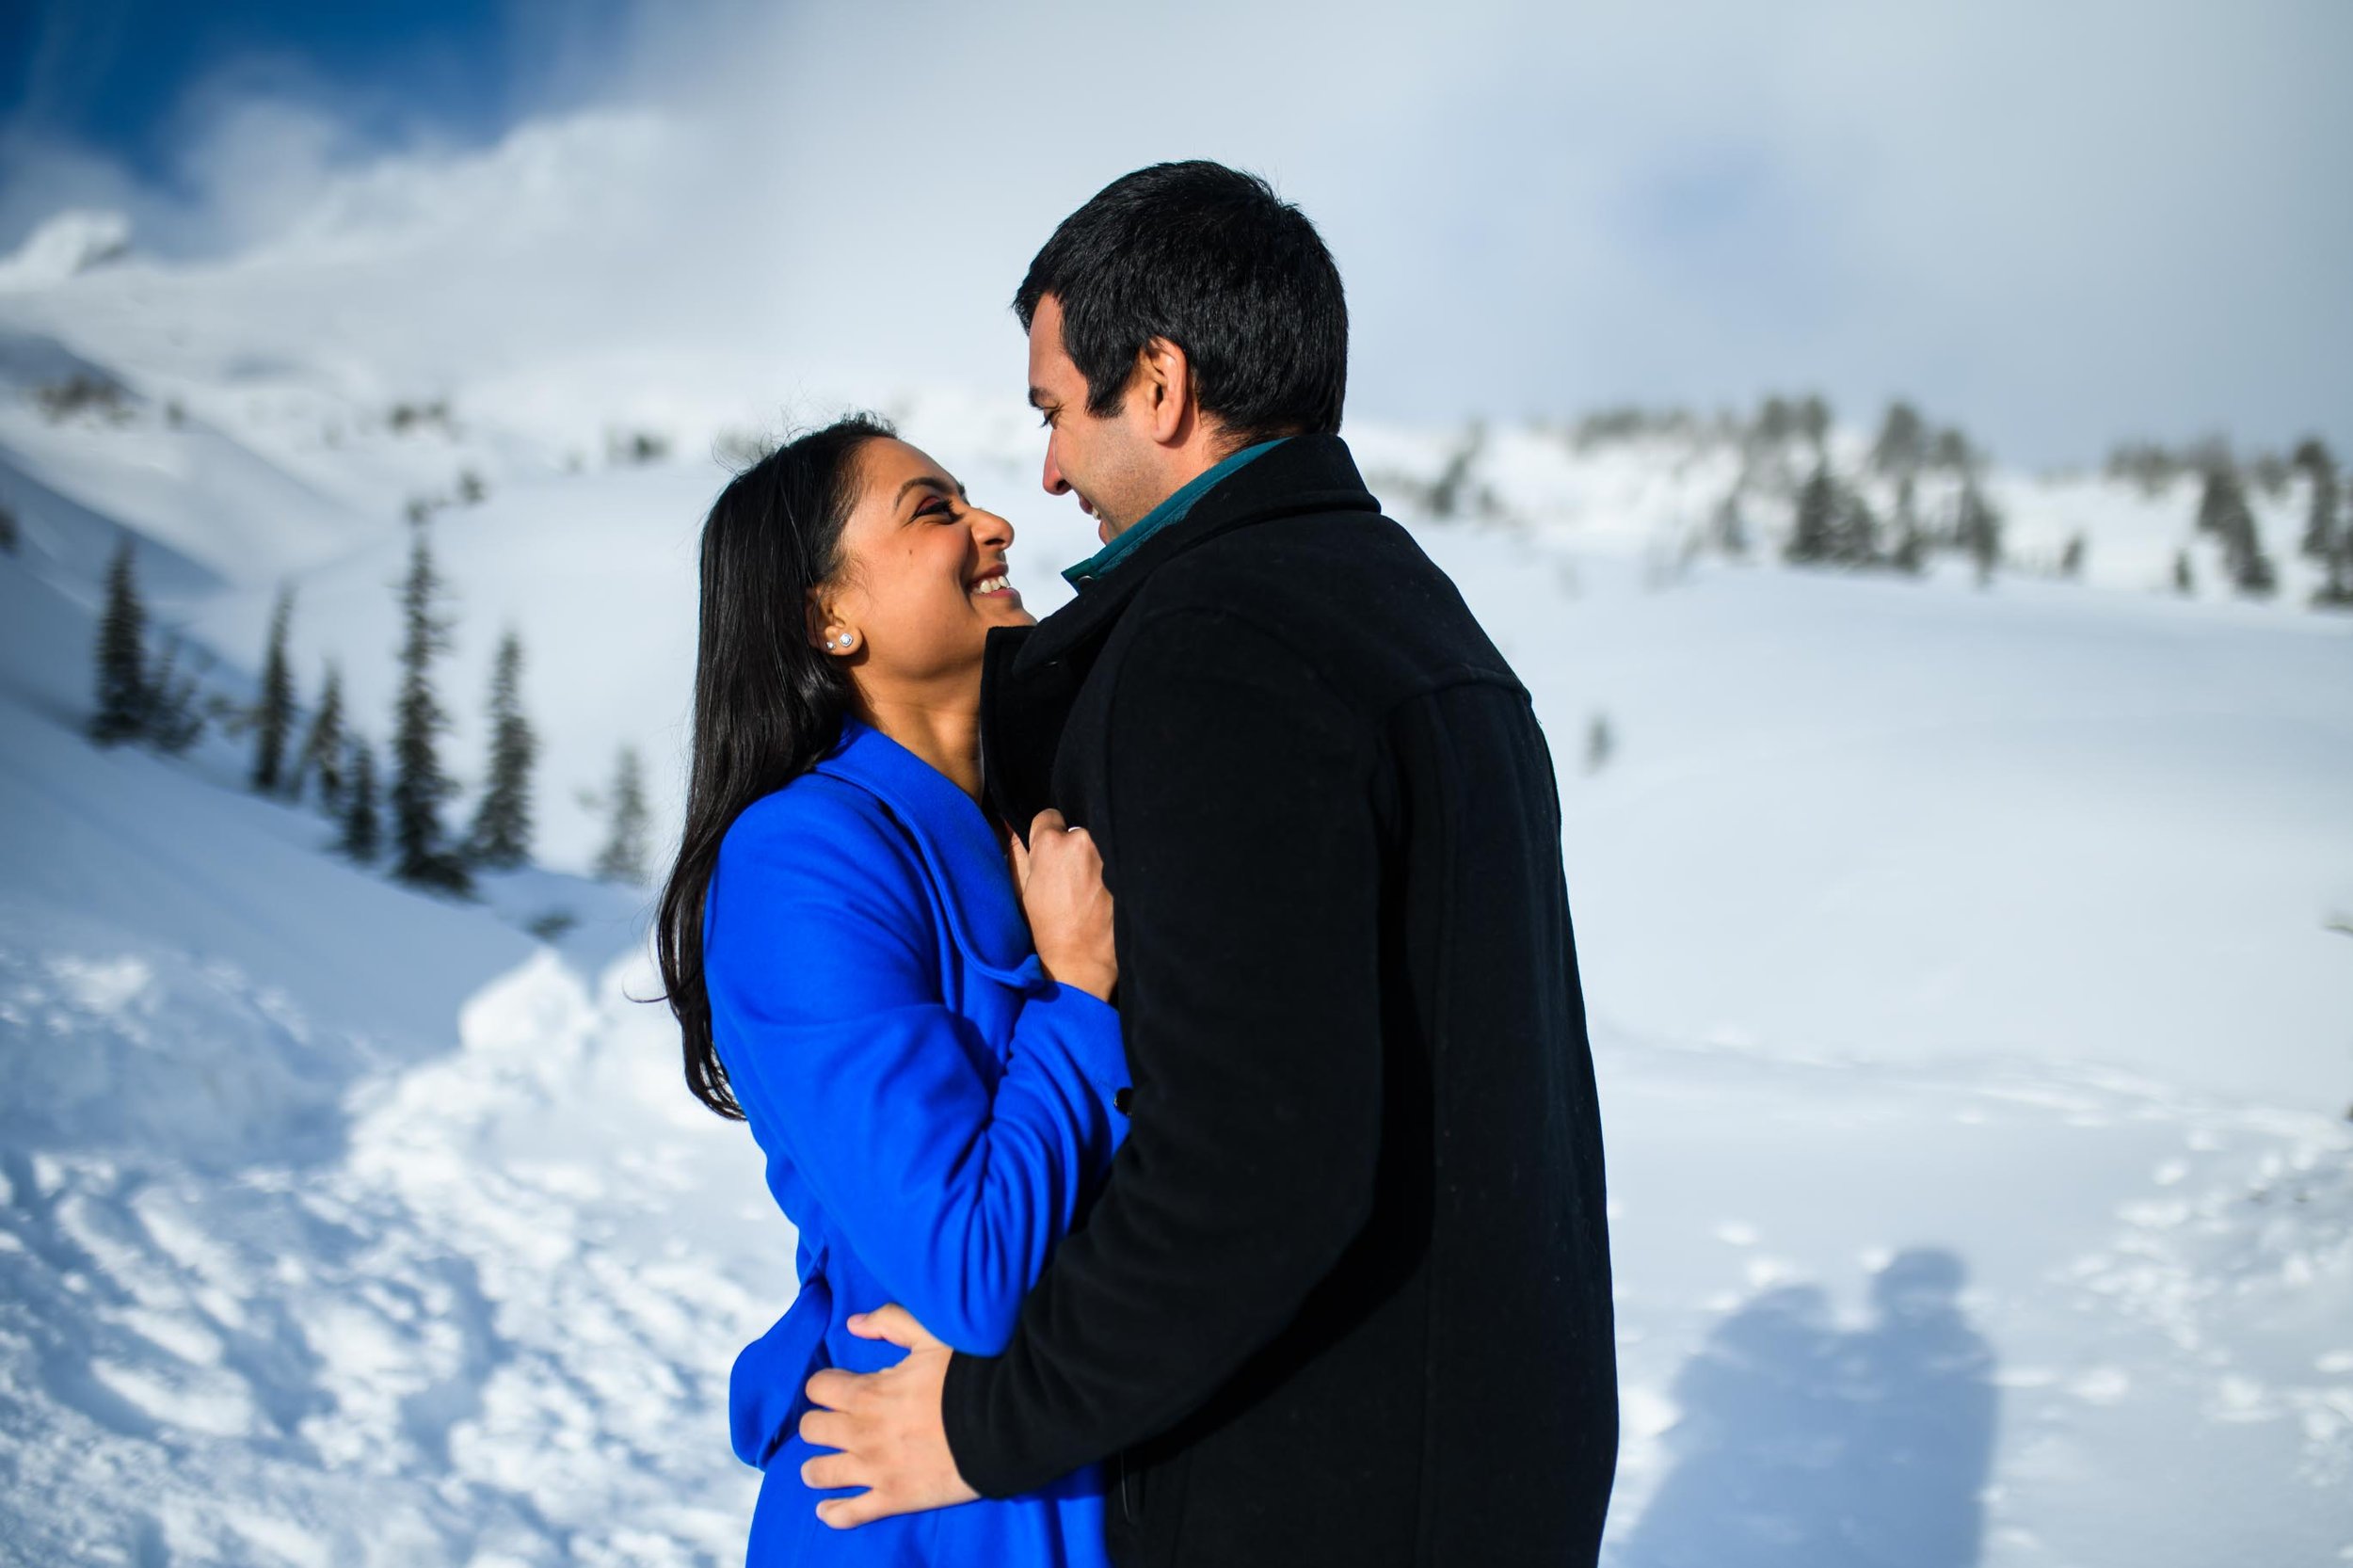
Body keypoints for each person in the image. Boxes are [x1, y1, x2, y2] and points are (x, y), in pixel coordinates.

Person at [798, 161, 1619, 1566]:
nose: (1046, 472)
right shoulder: (1411, 614)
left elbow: (1252, 1160)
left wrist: (985, 1424)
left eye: (1057, 408)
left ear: (1161, 386)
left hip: (1317, 1483)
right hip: (1477, 1459)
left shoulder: (1218, 648)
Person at [654, 415, 1134, 1565]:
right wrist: (1076, 995)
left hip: (1075, 1467)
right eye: (933, 510)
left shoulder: (1040, 823)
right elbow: (968, 1268)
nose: (997, 525)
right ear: (828, 615)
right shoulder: (801, 861)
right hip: (921, 1510)